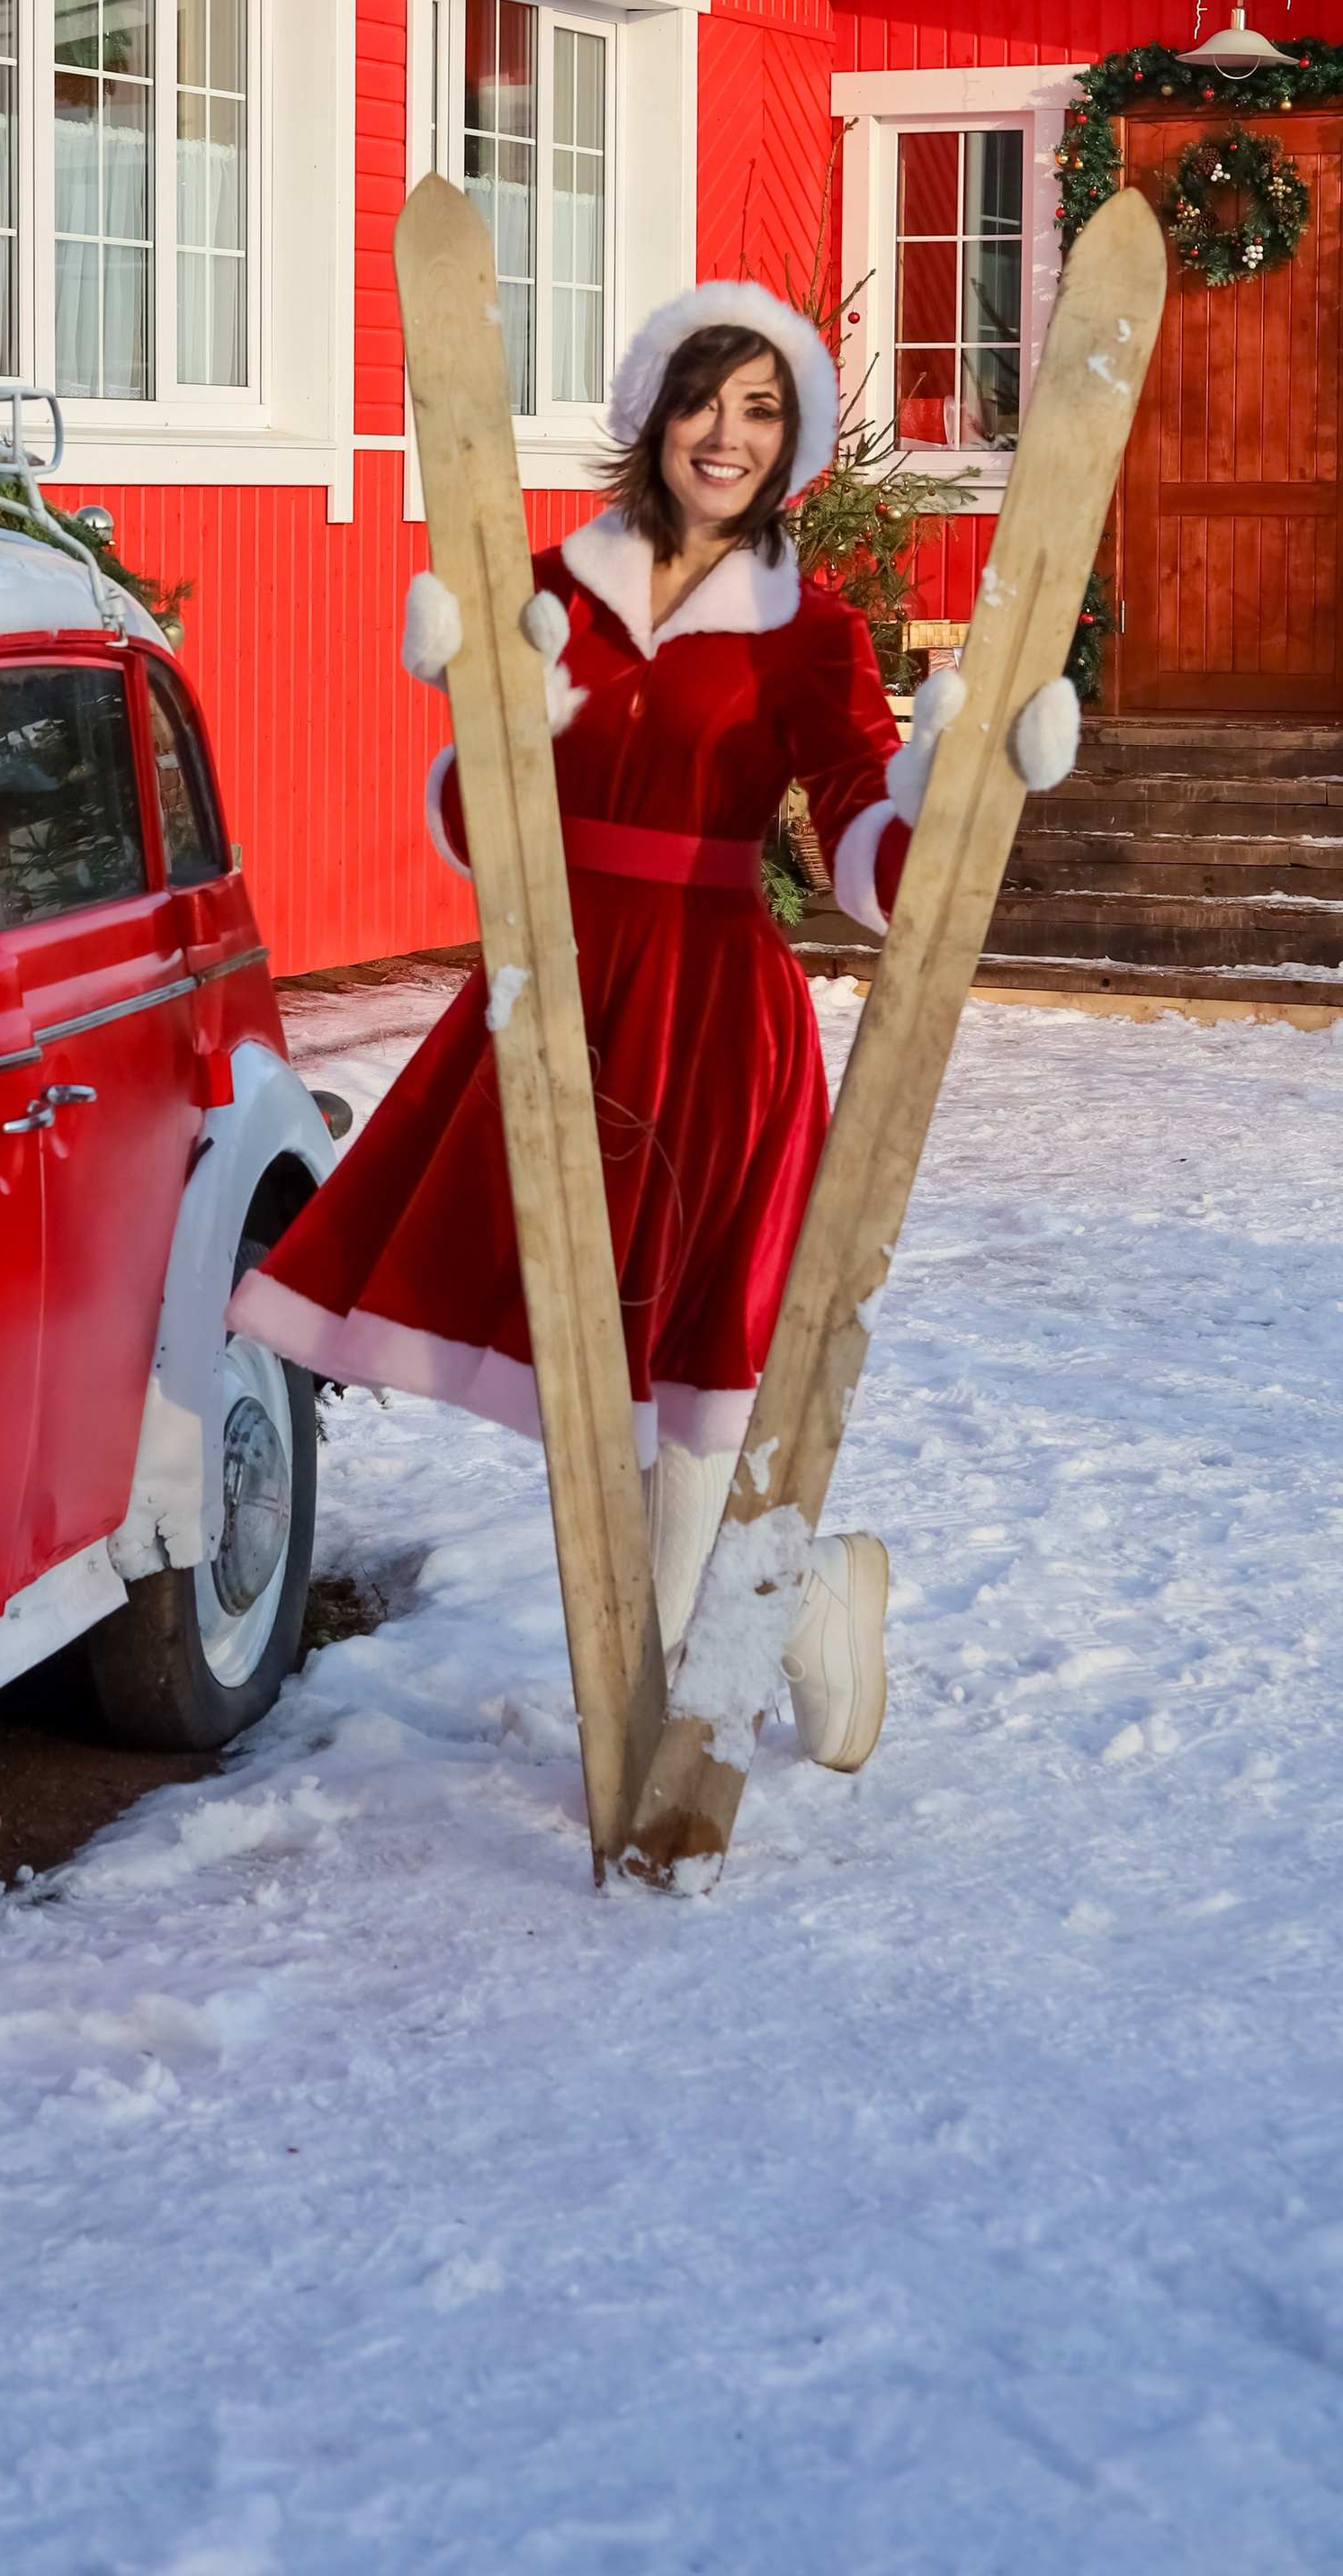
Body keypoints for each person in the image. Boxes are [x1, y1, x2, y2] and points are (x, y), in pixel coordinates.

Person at [230, 281, 1074, 1775]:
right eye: (704, 400)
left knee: (690, 1387)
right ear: (654, 416)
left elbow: (865, 859)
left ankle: (666, 1729)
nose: (727, 435)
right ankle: (794, 1598)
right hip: (561, 999)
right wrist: (479, 721)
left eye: (763, 410)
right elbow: (486, 828)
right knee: (586, 1371)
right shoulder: (546, 585)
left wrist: (949, 796)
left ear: (791, 441)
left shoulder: (810, 632)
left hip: (712, 1018)